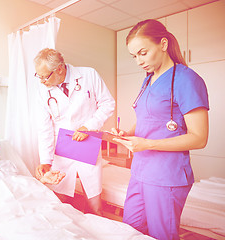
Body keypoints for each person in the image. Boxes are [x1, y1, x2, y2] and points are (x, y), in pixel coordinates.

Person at [112, 19, 209, 240]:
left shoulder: (187, 80)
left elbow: (199, 137)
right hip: (140, 170)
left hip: (166, 175)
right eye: (134, 56)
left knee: (161, 235)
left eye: (143, 53)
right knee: (131, 229)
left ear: (163, 44)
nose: (138, 61)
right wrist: (127, 133)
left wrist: (149, 144)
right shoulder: (148, 79)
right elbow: (148, 118)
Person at [33, 48, 115, 216]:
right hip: (62, 148)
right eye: (38, 76)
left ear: (60, 69)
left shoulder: (89, 75)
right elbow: (44, 128)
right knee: (59, 199)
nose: (41, 81)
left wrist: (89, 126)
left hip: (88, 143)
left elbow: (108, 103)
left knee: (94, 203)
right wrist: (46, 161)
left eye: (44, 76)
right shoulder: (42, 90)